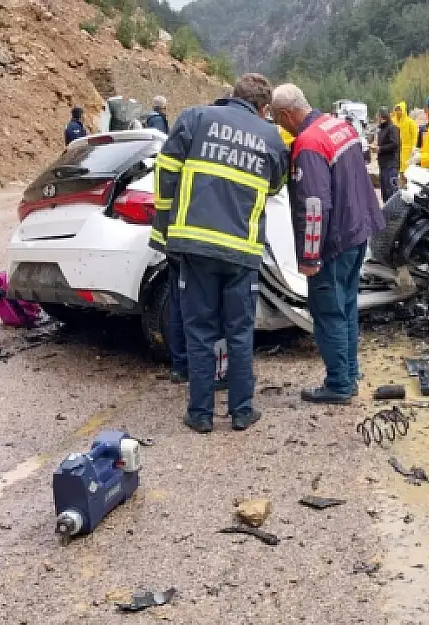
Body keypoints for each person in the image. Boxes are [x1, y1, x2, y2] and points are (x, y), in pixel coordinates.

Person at [150, 73, 289, 434]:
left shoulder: (195, 119)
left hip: (194, 246)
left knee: (199, 331)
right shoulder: (270, 137)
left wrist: (162, 227)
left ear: (231, 97)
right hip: (241, 250)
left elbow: (165, 171)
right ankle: (242, 411)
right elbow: (275, 184)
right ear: (263, 108)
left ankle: (200, 414)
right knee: (240, 332)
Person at [271, 84, 386, 405]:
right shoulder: (339, 127)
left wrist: (309, 255)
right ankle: (350, 371)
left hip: (333, 242)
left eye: (280, 121)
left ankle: (338, 384)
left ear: (285, 114)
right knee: (347, 305)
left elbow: (314, 205)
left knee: (327, 312)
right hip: (357, 231)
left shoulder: (308, 144)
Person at [375, 107, 401, 202]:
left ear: (382, 116)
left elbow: (395, 144)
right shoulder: (382, 129)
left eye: (377, 116)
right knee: (384, 192)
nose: (376, 118)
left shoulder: (392, 128)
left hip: (391, 165)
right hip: (383, 164)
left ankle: (393, 215)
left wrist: (380, 148)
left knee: (391, 191)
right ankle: (386, 214)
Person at [392, 101, 418, 174]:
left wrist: (413, 147)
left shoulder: (410, 122)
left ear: (403, 110)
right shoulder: (393, 121)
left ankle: (405, 183)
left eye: (400, 110)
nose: (398, 112)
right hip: (396, 150)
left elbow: (414, 136)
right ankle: (398, 184)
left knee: (406, 171)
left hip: (407, 151)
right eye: (397, 110)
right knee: (396, 170)